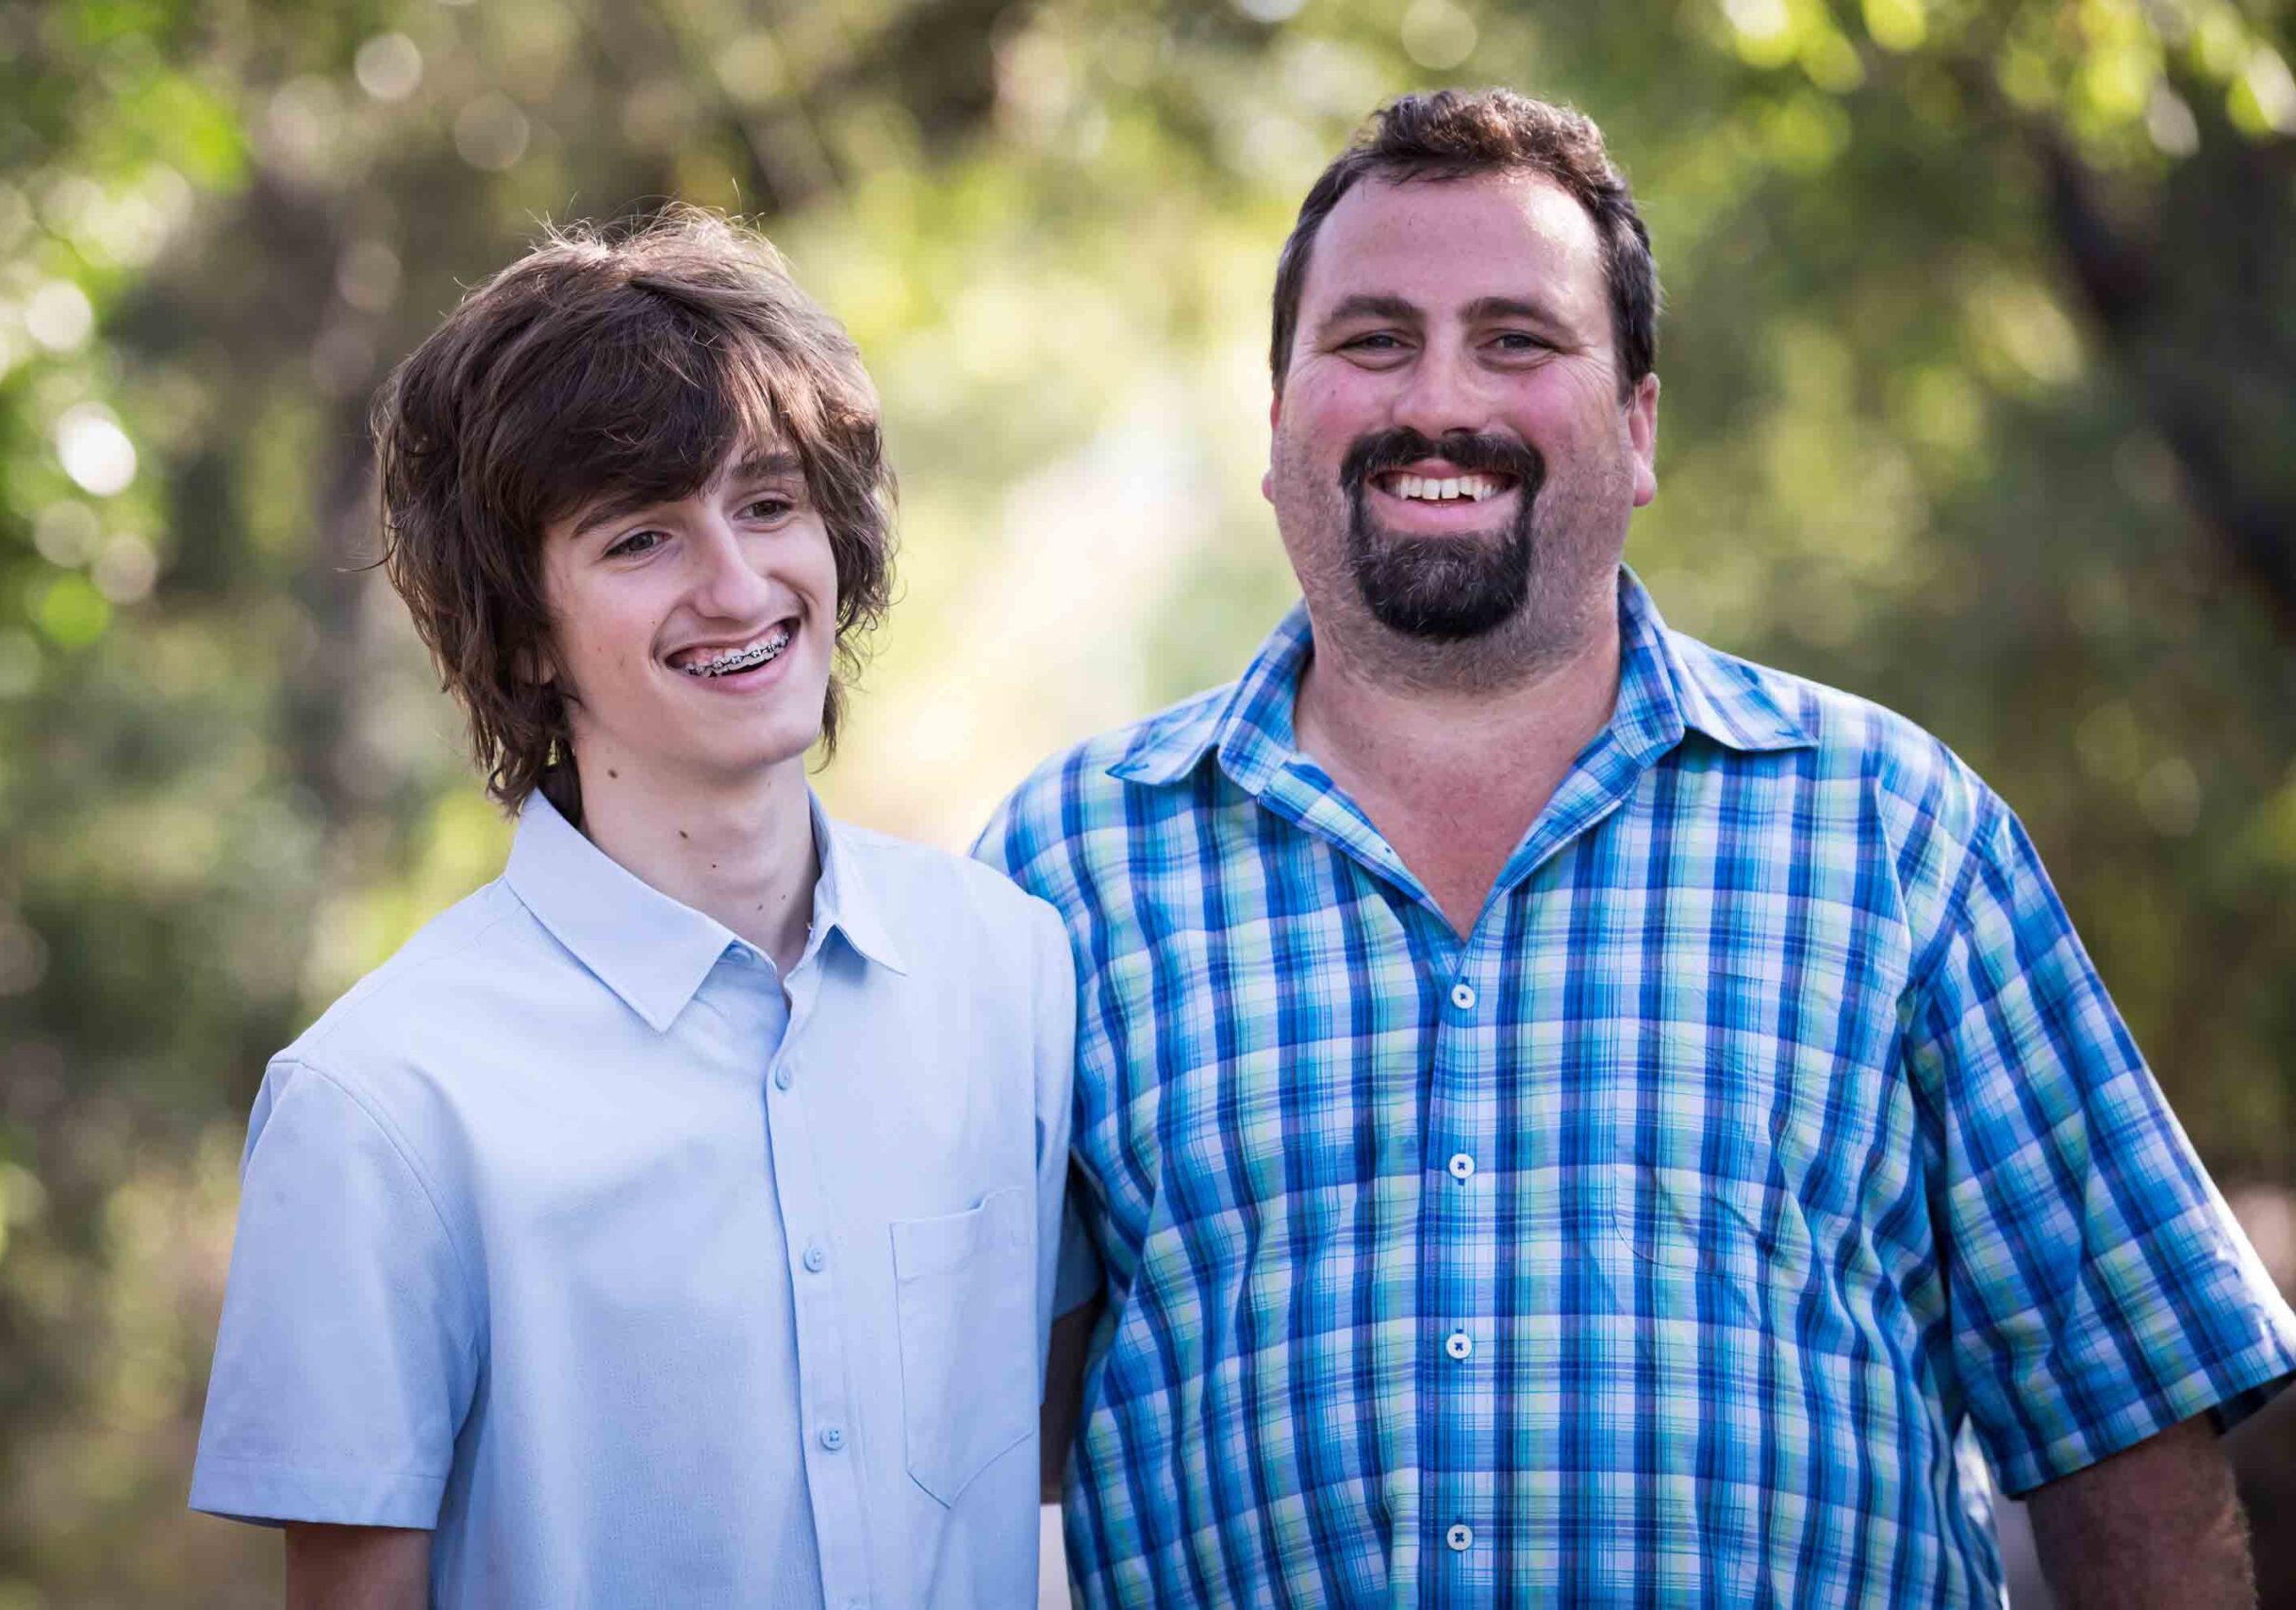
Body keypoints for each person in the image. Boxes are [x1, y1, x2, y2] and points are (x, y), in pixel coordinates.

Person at [979, 88, 2296, 1605]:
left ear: (1638, 422)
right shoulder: (1062, 874)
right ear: (1279, 421)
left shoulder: (1896, 837)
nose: (1439, 399)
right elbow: (955, 1434)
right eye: (1372, 339)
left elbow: (2123, 1428)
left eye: (1517, 341)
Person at [190, 212, 1076, 1609]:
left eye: (770, 504)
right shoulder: (381, 1106)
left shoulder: (1015, 971)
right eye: (642, 537)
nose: (737, 584)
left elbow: (1049, 1456)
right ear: (523, 629)